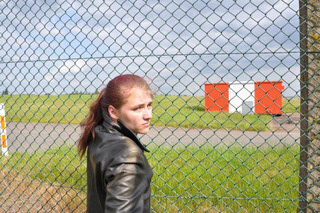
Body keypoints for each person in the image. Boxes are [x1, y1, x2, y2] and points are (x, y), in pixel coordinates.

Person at [78, 74, 153, 213]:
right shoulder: (128, 156)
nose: (148, 115)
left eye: (149, 105)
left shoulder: (99, 135)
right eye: (137, 108)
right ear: (113, 112)